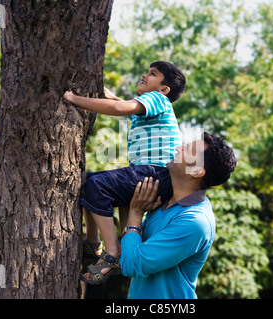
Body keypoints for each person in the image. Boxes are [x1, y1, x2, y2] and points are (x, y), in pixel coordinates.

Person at [62, 61, 186, 284]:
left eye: (152, 74)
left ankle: (113, 251)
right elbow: (122, 105)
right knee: (89, 181)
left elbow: (120, 108)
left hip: (155, 173)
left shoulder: (157, 99)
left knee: (96, 186)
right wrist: (103, 92)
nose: (145, 75)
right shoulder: (150, 108)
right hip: (153, 174)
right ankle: (93, 242)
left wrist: (74, 99)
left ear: (163, 89)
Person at [121, 132, 237, 299]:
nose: (178, 148)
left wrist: (135, 212)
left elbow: (132, 264)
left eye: (187, 149)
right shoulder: (164, 200)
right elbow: (128, 251)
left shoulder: (195, 221)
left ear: (196, 171)